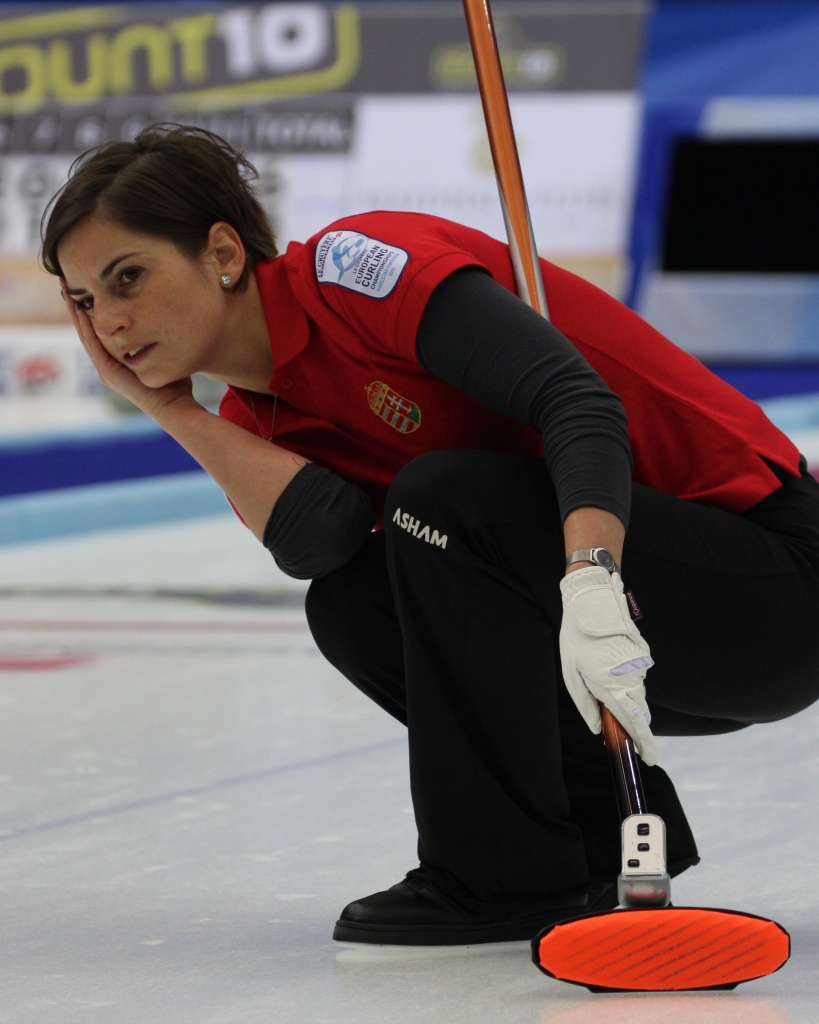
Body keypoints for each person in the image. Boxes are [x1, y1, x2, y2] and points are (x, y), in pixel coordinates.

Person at [40, 124, 819, 946]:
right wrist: (171, 408)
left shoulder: (353, 271)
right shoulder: (245, 423)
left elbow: (577, 401)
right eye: (87, 302)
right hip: (628, 632)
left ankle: (485, 874)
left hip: (766, 586)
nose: (112, 323)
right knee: (352, 602)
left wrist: (591, 576)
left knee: (447, 496)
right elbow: (323, 545)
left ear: (223, 252)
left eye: (129, 278)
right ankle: (564, 857)